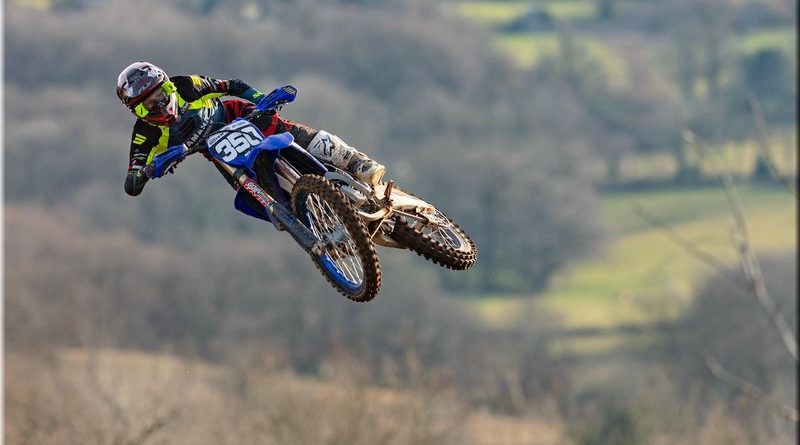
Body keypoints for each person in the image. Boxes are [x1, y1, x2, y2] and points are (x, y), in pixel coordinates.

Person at [117, 61, 385, 197]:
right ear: (137, 112)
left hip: (236, 116)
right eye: (147, 106)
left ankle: (354, 160)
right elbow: (131, 183)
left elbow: (231, 85)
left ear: (168, 86)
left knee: (283, 129)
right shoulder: (144, 134)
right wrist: (148, 171)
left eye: (161, 95)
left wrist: (261, 100)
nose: (159, 105)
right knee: (253, 196)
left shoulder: (186, 85)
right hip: (220, 154)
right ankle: (319, 230)